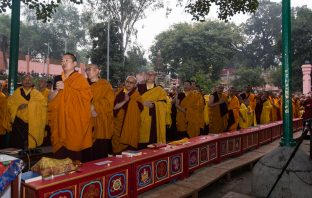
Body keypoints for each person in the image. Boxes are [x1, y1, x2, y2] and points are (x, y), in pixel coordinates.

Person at [48, 53, 93, 162]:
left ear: (74, 64)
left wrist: (67, 89)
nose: (63, 63)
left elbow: (87, 97)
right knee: (59, 158)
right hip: (59, 121)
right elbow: (50, 98)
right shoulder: (58, 78)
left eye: (67, 60)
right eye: (62, 61)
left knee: (73, 159)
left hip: (73, 122)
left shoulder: (80, 79)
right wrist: (58, 90)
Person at [7, 75, 47, 149]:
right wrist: (17, 107)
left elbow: (43, 105)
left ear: (32, 82)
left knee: (30, 141)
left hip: (32, 121)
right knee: (17, 144)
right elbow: (10, 104)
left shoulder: (37, 93)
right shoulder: (17, 92)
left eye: (29, 80)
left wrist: (30, 105)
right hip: (19, 122)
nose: (27, 81)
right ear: (22, 82)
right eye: (25, 79)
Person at [86, 64, 115, 159]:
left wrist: (94, 107)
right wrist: (88, 108)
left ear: (98, 71)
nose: (88, 71)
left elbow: (109, 102)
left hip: (101, 123)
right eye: (87, 70)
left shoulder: (105, 85)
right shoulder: (84, 85)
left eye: (90, 69)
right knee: (87, 155)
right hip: (86, 123)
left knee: (99, 153)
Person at [112, 76, 143, 154]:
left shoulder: (136, 96)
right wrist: (125, 101)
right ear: (125, 82)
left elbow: (139, 109)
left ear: (135, 85)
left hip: (129, 125)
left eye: (131, 82)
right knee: (116, 144)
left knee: (128, 150)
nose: (129, 84)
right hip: (117, 124)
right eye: (127, 81)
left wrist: (130, 102)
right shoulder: (118, 93)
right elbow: (114, 107)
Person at [137, 70, 167, 148]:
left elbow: (164, 104)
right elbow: (132, 100)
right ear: (146, 76)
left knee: (153, 140)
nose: (150, 76)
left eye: (152, 75)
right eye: (148, 74)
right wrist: (142, 103)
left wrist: (154, 104)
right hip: (140, 117)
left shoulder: (159, 90)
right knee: (140, 141)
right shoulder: (139, 87)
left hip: (154, 118)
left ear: (155, 77)